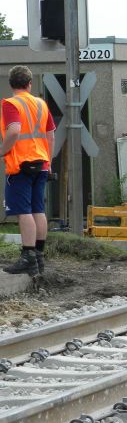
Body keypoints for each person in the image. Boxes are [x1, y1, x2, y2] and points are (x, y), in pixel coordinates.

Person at [1, 65, 56, 276]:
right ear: (29, 83)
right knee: (37, 210)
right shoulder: (41, 104)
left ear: (11, 84)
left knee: (24, 212)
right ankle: (39, 256)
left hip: (20, 165)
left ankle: (27, 257)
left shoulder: (10, 104)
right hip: (41, 163)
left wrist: (2, 151)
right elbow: (50, 134)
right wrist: (48, 162)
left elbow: (14, 131)